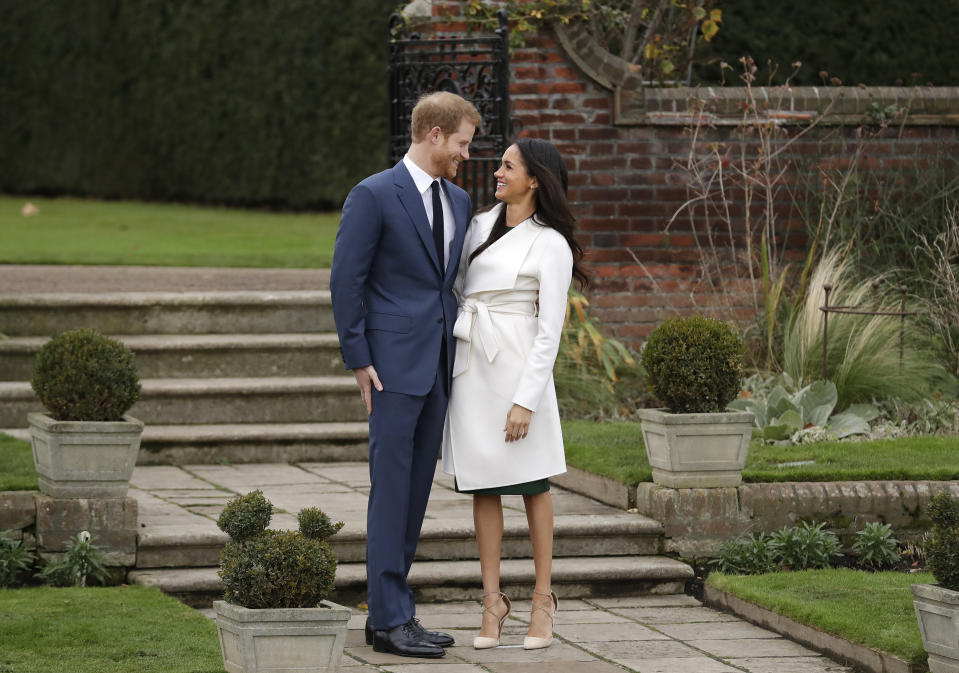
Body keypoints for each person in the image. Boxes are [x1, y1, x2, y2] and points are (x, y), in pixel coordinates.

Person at [330, 91, 482, 659]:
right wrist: (358, 358)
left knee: (416, 489)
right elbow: (347, 280)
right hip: (390, 368)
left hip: (440, 363)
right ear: (436, 134)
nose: (467, 154)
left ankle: (392, 613)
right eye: (463, 143)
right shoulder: (372, 194)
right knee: (391, 489)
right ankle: (390, 617)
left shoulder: (461, 201)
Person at [442, 138, 588, 650]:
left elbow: (550, 329)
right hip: (473, 364)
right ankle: (492, 601)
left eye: (508, 166)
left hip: (518, 365)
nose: (497, 172)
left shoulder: (550, 242)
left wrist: (526, 399)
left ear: (535, 180)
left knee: (532, 484)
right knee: (482, 484)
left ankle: (543, 600)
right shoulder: (479, 224)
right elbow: (456, 286)